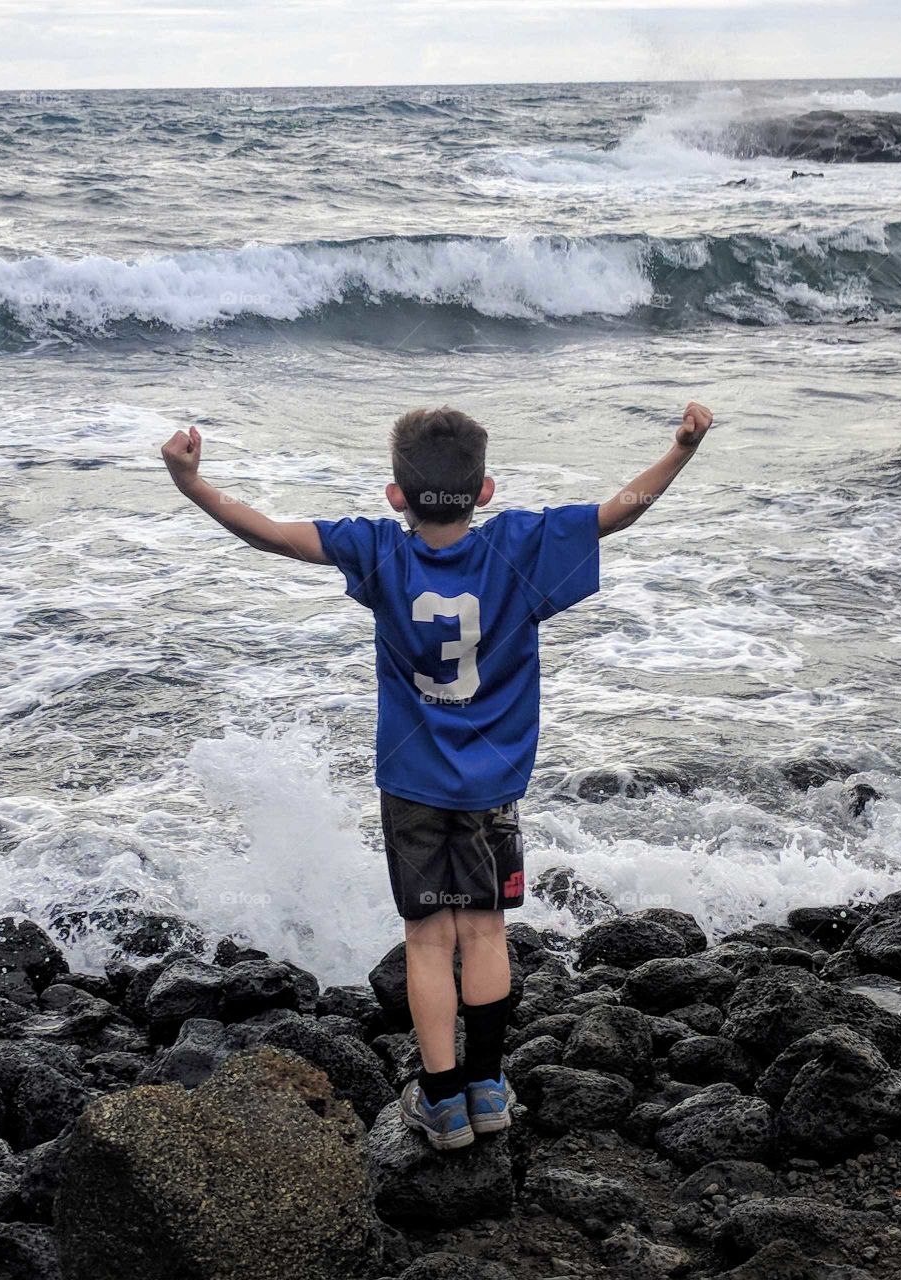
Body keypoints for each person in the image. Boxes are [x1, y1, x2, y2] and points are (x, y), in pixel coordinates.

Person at [161, 400, 713, 1151]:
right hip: (495, 786)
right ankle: (489, 1088)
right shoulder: (523, 545)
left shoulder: (380, 551)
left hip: (414, 783)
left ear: (397, 496)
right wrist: (681, 449)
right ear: (485, 491)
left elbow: (271, 535)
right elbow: (623, 510)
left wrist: (193, 485)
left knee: (427, 939)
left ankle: (443, 1101)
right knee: (485, 930)